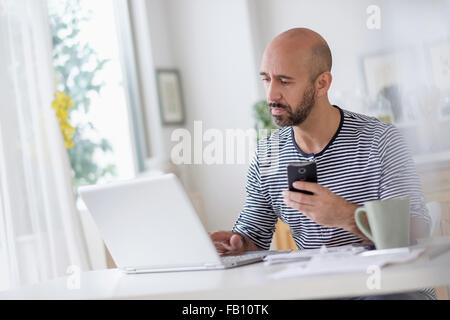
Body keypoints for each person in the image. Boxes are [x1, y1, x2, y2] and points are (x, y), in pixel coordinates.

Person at [209, 28, 435, 300]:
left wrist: (349, 217)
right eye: (266, 79)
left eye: (284, 81)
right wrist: (238, 245)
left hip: (392, 290)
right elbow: (254, 234)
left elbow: (415, 235)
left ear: (322, 84)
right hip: (322, 291)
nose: (272, 95)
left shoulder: (381, 140)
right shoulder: (268, 153)